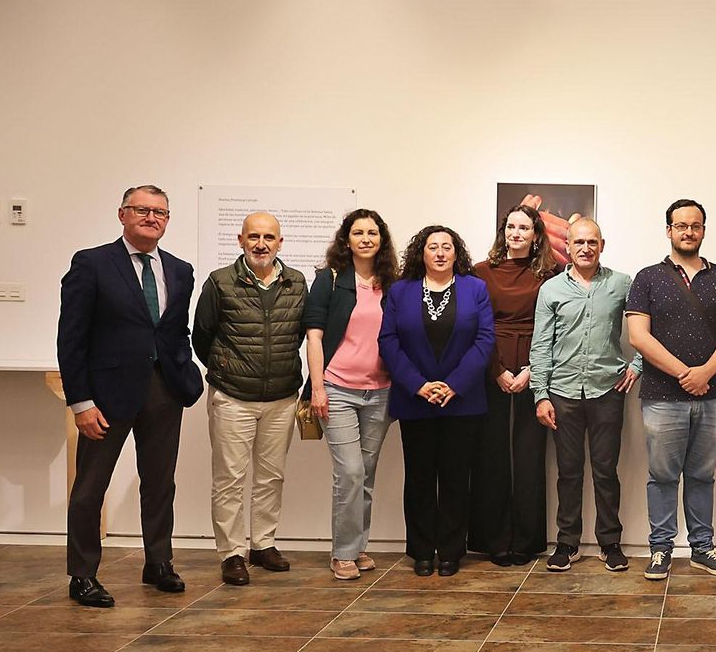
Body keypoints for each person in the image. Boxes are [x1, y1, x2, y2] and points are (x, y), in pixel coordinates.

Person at [57, 185, 204, 607]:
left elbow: (175, 331)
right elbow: (71, 338)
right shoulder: (92, 264)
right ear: (122, 214)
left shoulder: (180, 270)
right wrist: (80, 401)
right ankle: (82, 574)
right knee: (90, 487)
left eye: (159, 212)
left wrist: (183, 370)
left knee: (160, 483)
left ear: (167, 220)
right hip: (106, 395)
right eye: (142, 209)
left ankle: (158, 561)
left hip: (164, 389)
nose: (151, 217)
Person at [626, 199, 716, 581]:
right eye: (681, 226)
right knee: (662, 476)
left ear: (704, 231)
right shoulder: (647, 278)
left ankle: (702, 547)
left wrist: (705, 372)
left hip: (713, 394)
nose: (688, 231)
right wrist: (684, 374)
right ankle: (660, 550)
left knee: (702, 475)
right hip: (663, 396)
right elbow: (638, 337)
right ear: (669, 231)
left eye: (695, 226)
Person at [192, 212, 308, 586]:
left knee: (271, 476)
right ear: (240, 240)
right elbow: (202, 337)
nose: (262, 244)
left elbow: (304, 334)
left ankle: (263, 544)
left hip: (281, 396)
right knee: (229, 478)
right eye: (254, 236)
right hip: (233, 397)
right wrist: (226, 370)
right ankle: (231, 552)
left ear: (280, 243)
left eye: (269, 237)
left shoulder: (296, 282)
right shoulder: (220, 282)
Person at [379, 226, 494, 577]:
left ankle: (450, 551)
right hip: (416, 401)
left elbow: (485, 339)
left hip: (463, 401)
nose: (441, 253)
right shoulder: (401, 291)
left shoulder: (475, 289)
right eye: (433, 247)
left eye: (447, 247)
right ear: (422, 254)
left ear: (456, 253)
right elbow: (389, 341)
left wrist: (454, 385)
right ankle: (421, 550)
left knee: (457, 478)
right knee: (419, 479)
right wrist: (419, 385)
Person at [532, 218, 642, 573]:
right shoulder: (551, 289)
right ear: (567, 245)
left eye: (592, 242)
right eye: (578, 242)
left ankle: (610, 542)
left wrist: (638, 364)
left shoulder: (621, 283)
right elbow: (540, 346)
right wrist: (540, 395)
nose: (585, 248)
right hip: (562, 392)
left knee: (606, 471)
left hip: (607, 390)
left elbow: (651, 323)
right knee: (568, 471)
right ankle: (567, 542)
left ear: (602, 245)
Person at [304, 209, 400, 581]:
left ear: (381, 239)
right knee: (351, 471)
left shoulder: (392, 283)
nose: (365, 239)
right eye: (357, 232)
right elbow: (314, 335)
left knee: (367, 474)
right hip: (337, 388)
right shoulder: (328, 280)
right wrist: (317, 387)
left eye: (372, 233)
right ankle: (342, 553)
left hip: (381, 391)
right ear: (347, 240)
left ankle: (358, 546)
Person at [472, 205, 560, 566]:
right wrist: (497, 370)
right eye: (511, 226)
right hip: (489, 368)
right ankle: (493, 540)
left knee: (529, 456)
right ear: (503, 231)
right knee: (491, 454)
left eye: (524, 227)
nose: (516, 233)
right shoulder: (481, 273)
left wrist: (530, 371)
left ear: (536, 234)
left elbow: (555, 329)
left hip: (533, 371)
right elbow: (476, 325)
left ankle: (525, 541)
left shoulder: (552, 274)